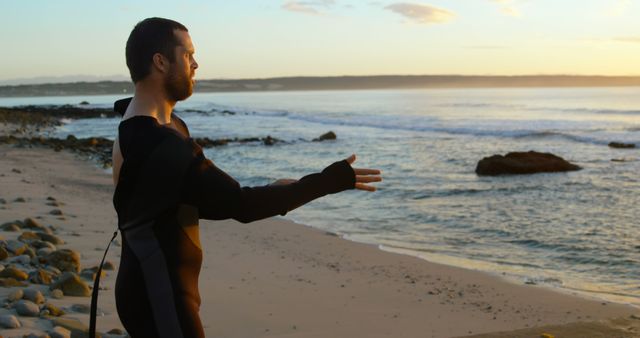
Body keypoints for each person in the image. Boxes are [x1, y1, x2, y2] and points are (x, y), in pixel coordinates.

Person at [110, 17, 382, 338]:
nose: (196, 64)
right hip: (158, 292)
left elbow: (195, 200)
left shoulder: (153, 126)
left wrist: (274, 190)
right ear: (160, 61)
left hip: (158, 285)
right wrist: (330, 180)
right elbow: (241, 205)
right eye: (188, 55)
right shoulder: (158, 142)